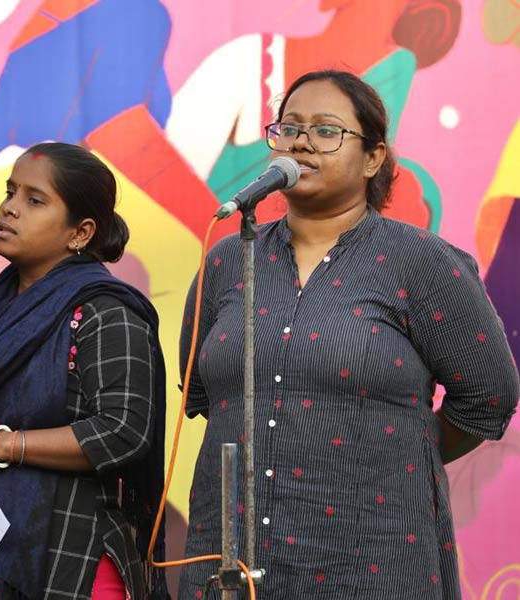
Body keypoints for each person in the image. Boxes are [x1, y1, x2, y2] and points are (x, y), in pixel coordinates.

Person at [177, 70, 519, 599]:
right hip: (231, 567)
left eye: (326, 131)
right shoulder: (227, 261)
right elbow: (203, 393)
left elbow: (489, 395)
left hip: (370, 565)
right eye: (289, 128)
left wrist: (394, 453)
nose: (302, 142)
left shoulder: (420, 262)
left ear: (374, 158)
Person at [0, 142, 168, 599]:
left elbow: (123, 431)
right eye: (10, 192)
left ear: (80, 233)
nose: (9, 210)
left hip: (73, 559)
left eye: (34, 200)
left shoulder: (104, 312)